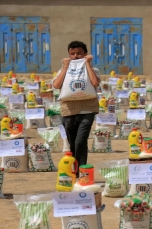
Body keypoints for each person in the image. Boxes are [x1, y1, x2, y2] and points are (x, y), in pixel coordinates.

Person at [52, 41, 100, 177]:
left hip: (87, 110)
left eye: (79, 53)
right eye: (72, 54)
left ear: (85, 54)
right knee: (72, 142)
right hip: (69, 109)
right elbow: (56, 85)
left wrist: (88, 64)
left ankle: (81, 171)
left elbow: (95, 82)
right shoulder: (64, 70)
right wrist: (65, 67)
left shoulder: (93, 69)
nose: (76, 56)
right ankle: (75, 168)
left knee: (81, 140)